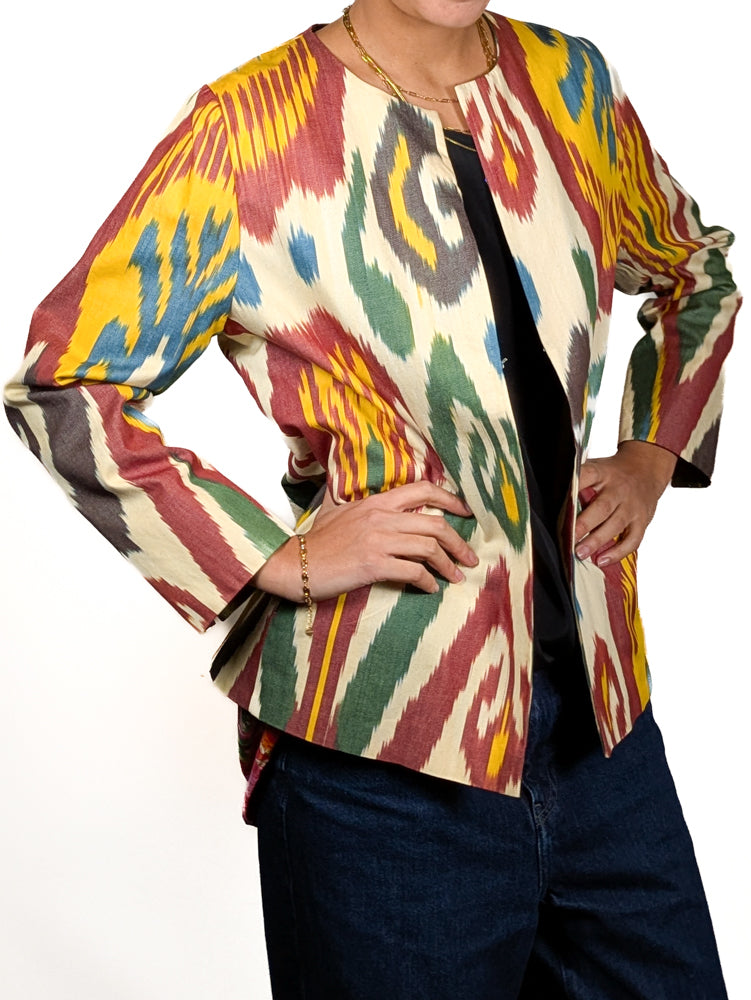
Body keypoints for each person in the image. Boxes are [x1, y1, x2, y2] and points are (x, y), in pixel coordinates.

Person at [4, 2, 740, 997]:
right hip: (378, 760)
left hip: (599, 734)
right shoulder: (247, 128)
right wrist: (274, 555)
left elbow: (694, 268)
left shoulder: (571, 82)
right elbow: (63, 383)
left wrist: (651, 453)